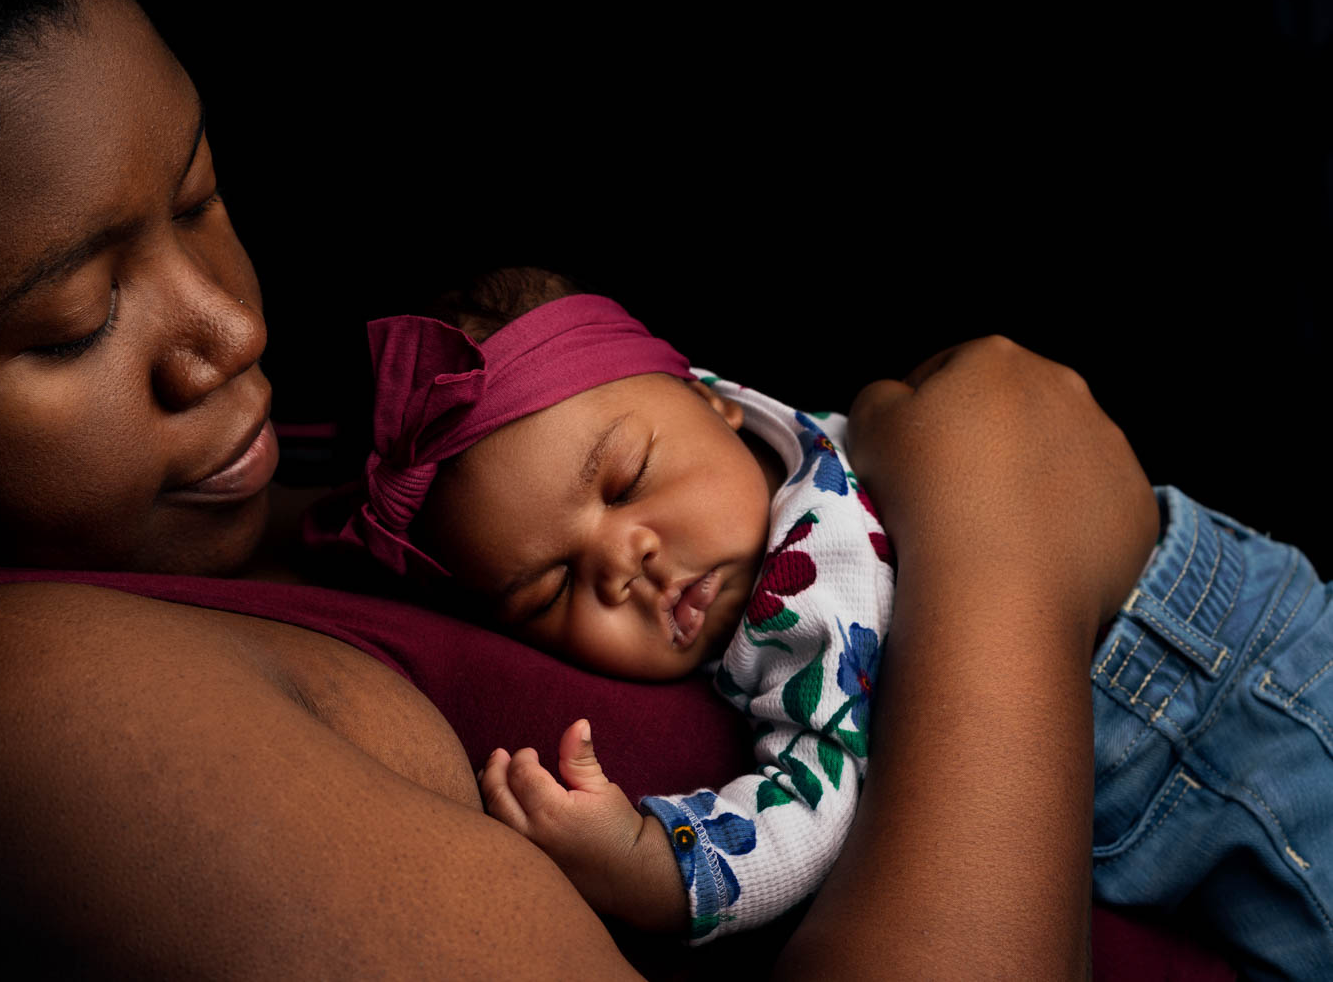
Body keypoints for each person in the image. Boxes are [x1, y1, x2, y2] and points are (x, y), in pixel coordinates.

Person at [0, 0, 1161, 978]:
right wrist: (1002, 548)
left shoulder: (254, 493)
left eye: (198, 197)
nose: (231, 334)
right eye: (75, 323)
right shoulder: (17, 718)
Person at [342, 274, 1333, 979]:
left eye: (625, 480)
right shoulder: (780, 576)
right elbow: (818, 797)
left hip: (1223, 681)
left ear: (715, 403)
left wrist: (659, 865)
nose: (622, 561)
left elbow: (807, 815)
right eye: (553, 586)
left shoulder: (804, 573)